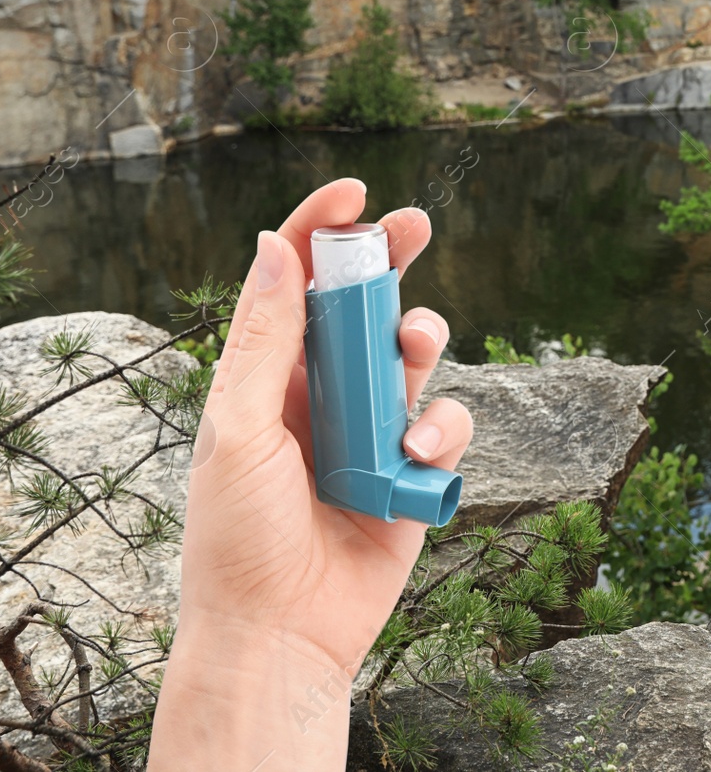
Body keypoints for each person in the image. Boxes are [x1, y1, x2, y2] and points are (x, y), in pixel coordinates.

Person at [147, 178, 474, 769]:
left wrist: (286, 648)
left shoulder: (344, 489)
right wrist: (250, 625)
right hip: (353, 494)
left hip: (354, 499)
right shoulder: (338, 483)